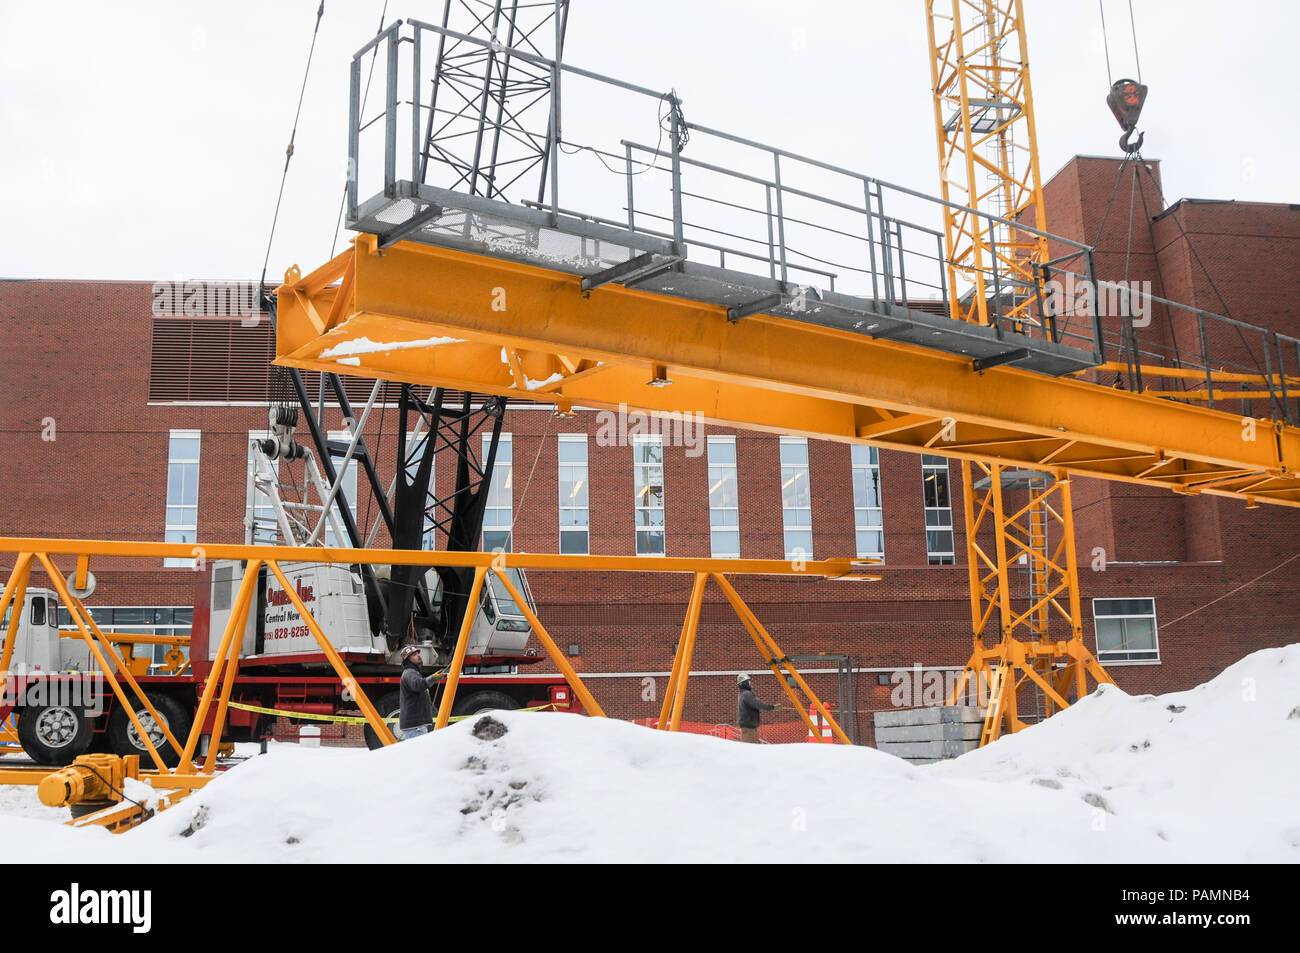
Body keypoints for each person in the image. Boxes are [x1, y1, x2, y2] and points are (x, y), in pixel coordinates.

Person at [399, 644, 437, 740]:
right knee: (419, 754)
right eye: (414, 655)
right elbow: (419, 685)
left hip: (416, 727)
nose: (418, 655)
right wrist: (433, 678)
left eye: (417, 653)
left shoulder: (413, 672)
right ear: (407, 659)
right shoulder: (409, 672)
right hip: (415, 728)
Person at [736, 673, 776, 744]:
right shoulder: (746, 694)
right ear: (744, 683)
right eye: (748, 681)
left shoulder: (743, 694)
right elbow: (758, 704)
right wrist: (772, 707)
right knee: (749, 750)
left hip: (750, 728)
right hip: (748, 728)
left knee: (754, 748)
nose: (750, 683)